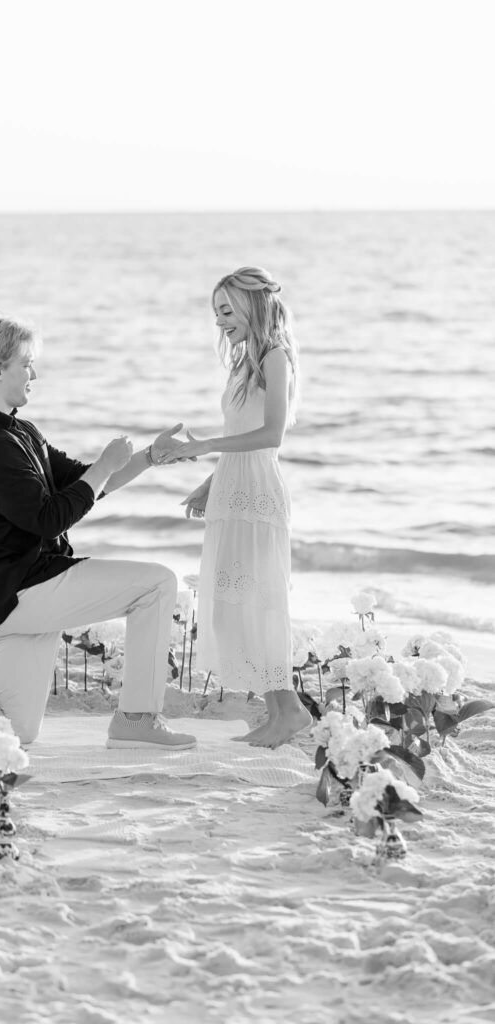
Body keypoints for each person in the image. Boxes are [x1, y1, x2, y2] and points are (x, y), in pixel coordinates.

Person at [0, 314, 196, 750]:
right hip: (25, 591)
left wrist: (149, 457)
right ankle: (137, 719)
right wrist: (105, 463)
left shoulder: (17, 430)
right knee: (158, 584)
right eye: (27, 364)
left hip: (8, 602)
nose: (35, 374)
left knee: (16, 732)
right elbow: (49, 519)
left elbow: (85, 483)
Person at [164, 267, 310, 747]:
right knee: (240, 607)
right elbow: (244, 436)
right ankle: (278, 712)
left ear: (253, 305)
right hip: (233, 488)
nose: (220, 321)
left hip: (258, 494)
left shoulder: (276, 358)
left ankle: (288, 712)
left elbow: (272, 436)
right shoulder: (245, 361)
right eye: (216, 313)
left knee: (261, 602)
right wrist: (213, 479)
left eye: (227, 310)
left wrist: (206, 446)